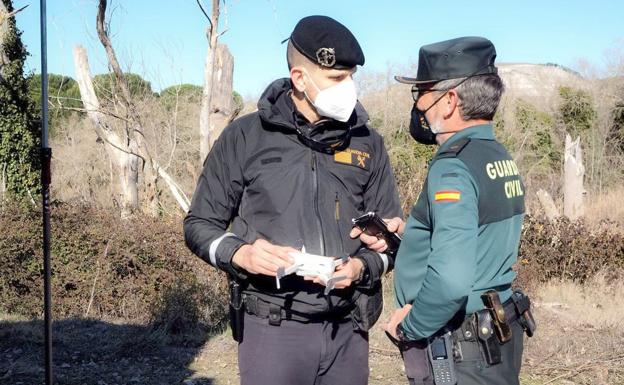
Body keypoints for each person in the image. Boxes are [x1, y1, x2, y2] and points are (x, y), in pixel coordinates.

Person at [184, 15, 402, 385]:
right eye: (337, 78)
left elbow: (391, 241)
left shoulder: (368, 143)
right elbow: (198, 225)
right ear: (299, 78)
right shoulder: (245, 137)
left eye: (351, 77)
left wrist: (363, 266)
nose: (348, 87)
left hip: (348, 330)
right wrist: (241, 253)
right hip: (271, 329)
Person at [351, 36, 535, 385]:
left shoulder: (452, 166)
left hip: (462, 347)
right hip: (497, 335)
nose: (419, 104)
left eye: (423, 92)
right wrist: (405, 237)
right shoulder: (497, 155)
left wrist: (411, 326)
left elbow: (451, 281)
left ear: (449, 100)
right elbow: (478, 238)